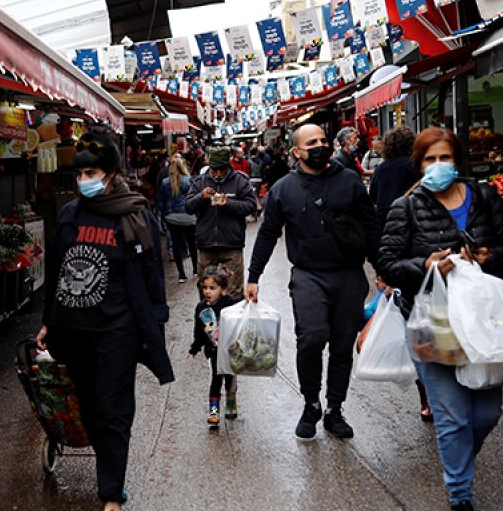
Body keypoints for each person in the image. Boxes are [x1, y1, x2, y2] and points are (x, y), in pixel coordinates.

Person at [378, 127, 503, 511]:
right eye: (429, 160)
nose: (438, 167)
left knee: (486, 413)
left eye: (445, 158)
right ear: (418, 165)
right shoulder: (405, 206)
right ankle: (460, 497)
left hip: (484, 322)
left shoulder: (485, 196)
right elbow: (387, 263)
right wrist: (424, 266)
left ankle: (458, 465)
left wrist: (490, 256)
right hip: (432, 325)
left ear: (458, 160)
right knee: (453, 418)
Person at [36, 131, 173, 511]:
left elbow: (152, 274)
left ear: (111, 173)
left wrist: (157, 321)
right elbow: (57, 273)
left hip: (119, 330)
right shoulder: (69, 215)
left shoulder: (134, 215)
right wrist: (47, 321)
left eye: (91, 172)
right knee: (91, 410)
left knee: (114, 410)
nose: (84, 180)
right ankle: (111, 473)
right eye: (78, 173)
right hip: (74, 330)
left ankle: (110, 503)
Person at [245, 123, 380, 440]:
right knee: (311, 338)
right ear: (296, 152)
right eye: (311, 142)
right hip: (308, 275)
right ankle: (310, 403)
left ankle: (334, 409)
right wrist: (254, 276)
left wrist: (383, 268)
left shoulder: (349, 181)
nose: (320, 145)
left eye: (322, 139)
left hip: (348, 274)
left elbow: (370, 226)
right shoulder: (283, 189)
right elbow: (267, 234)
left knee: (343, 345)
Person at [369, 125, 432, 421]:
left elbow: (376, 211)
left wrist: (382, 264)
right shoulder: (418, 168)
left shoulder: (381, 172)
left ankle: (426, 397)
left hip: (395, 252)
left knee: (413, 321)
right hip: (424, 250)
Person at [184, 146, 259, 298]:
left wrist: (228, 203)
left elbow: (251, 206)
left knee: (233, 294)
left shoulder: (240, 180)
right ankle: (209, 322)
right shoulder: (200, 182)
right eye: (214, 170)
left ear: (228, 165)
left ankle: (230, 322)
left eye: (221, 169)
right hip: (206, 245)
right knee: (207, 294)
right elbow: (188, 207)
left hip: (231, 245)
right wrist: (201, 197)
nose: (218, 174)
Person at [188, 266, 241, 427]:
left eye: (212, 288)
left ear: (223, 290)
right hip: (213, 352)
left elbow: (243, 307)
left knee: (230, 380)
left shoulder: (230, 304)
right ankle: (213, 412)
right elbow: (199, 330)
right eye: (204, 288)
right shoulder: (201, 307)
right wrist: (194, 348)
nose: (207, 292)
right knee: (215, 381)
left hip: (230, 351)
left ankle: (231, 401)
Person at [157, 156, 197, 282]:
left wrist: (164, 217)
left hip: (172, 217)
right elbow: (193, 199)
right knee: (192, 243)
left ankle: (181, 275)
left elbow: (161, 202)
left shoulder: (165, 182)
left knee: (176, 245)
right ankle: (195, 269)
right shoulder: (188, 180)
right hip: (189, 216)